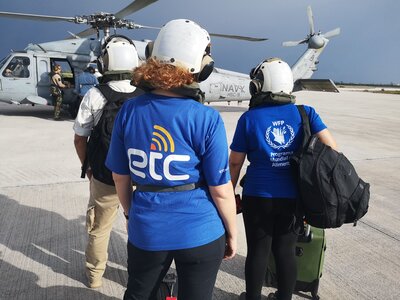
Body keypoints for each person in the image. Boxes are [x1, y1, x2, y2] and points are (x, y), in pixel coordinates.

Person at [105, 19, 237, 300]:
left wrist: (131, 214)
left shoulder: (128, 111)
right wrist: (232, 233)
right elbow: (221, 190)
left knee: (139, 293)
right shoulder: (207, 117)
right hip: (201, 232)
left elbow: (120, 176)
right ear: (201, 66)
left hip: (147, 229)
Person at [229, 58, 337, 300]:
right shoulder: (306, 113)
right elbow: (331, 149)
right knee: (285, 250)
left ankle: (252, 297)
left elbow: (235, 162)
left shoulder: (249, 118)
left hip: (258, 195)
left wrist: (229, 193)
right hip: (293, 196)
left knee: (258, 250)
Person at [73, 35, 142, 289]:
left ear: (105, 62)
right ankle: (138, 275)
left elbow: (80, 139)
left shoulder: (94, 94)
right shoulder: (146, 95)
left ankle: (94, 278)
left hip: (104, 174)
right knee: (138, 227)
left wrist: (88, 167)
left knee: (99, 228)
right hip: (140, 176)